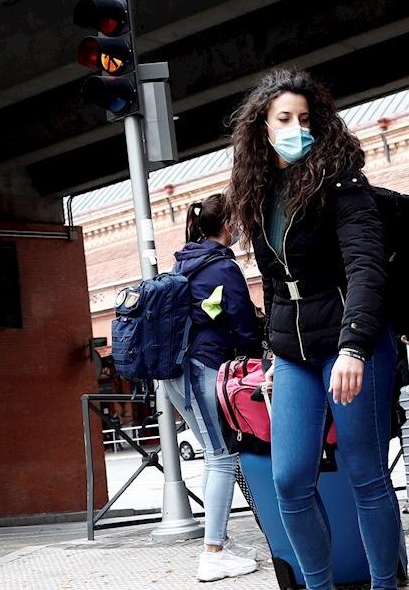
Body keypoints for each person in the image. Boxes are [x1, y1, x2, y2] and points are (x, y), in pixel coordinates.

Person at [226, 68, 403, 590]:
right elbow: (276, 285)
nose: (295, 127)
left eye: (305, 118)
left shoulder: (341, 182)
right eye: (284, 118)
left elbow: (368, 268)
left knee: (365, 472)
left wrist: (354, 346)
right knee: (289, 481)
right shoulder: (257, 191)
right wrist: (273, 356)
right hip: (295, 352)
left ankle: (384, 584)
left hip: (353, 345)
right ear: (262, 125)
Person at [169, 194, 264, 582]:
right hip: (202, 369)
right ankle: (212, 554)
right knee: (221, 457)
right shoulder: (221, 268)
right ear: (228, 224)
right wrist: (255, 358)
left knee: (213, 455)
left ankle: (219, 540)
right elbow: (243, 323)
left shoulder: (185, 262)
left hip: (177, 373)